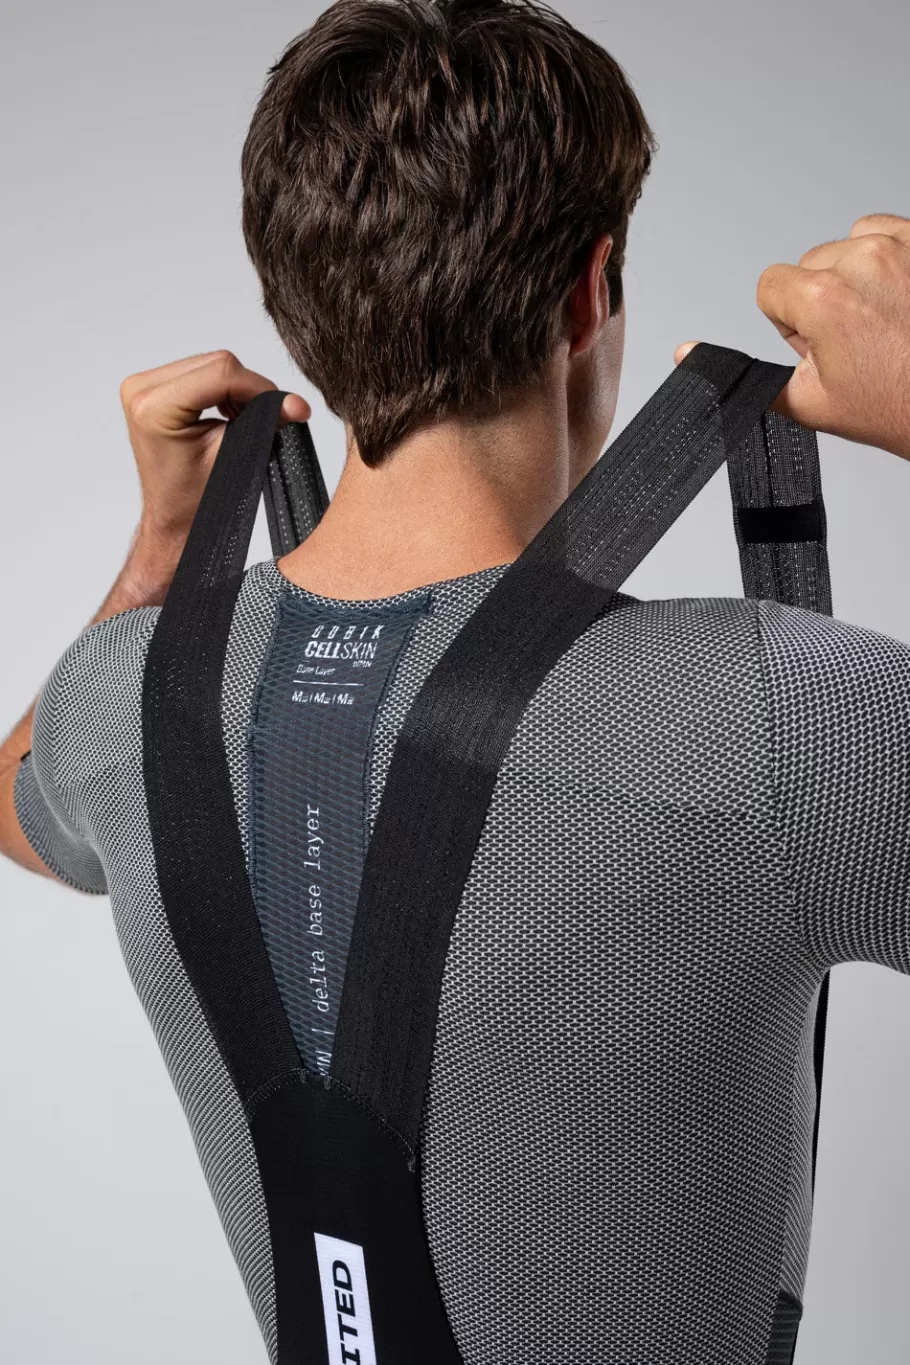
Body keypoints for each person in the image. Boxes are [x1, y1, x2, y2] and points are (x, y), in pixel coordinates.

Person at [1, 1, 908, 1360]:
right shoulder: (788, 717)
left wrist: (165, 548)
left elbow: (16, 808)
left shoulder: (123, 704)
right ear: (588, 292)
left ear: (300, 303)